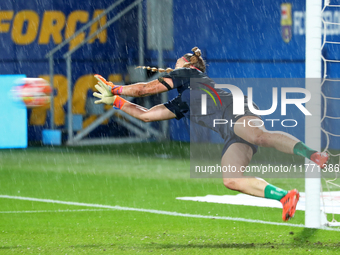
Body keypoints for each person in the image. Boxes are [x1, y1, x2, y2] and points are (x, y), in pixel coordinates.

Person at [93, 47, 329, 221]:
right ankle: (285, 197)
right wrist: (117, 101)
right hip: (230, 130)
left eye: (177, 63)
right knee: (231, 180)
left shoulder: (189, 73)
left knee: (259, 136)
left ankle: (313, 155)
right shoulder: (183, 100)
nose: (172, 66)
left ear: (186, 64)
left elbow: (144, 89)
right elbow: (145, 114)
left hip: (237, 111)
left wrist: (115, 87)